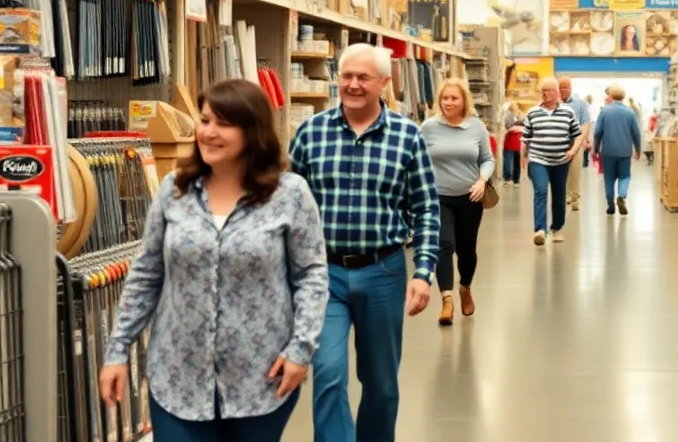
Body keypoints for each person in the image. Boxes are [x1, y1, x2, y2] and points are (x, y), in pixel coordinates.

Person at [99, 79, 328, 441]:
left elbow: (311, 276)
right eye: (205, 121)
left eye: (224, 124)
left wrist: (301, 350)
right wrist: (117, 350)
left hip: (261, 377)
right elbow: (145, 274)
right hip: (178, 377)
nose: (208, 132)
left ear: (252, 131)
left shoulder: (289, 194)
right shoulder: (174, 190)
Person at [290, 43, 440, 442]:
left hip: (383, 271)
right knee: (328, 373)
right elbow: (287, 205)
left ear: (385, 83)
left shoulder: (407, 137)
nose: (353, 85)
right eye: (346, 76)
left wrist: (423, 271)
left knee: (381, 383)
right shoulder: (309, 134)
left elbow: (426, 207)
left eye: (363, 78)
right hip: (323, 274)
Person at [420, 78, 494, 326]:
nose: (448, 102)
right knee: (444, 245)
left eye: (454, 98)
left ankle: (465, 286)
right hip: (439, 197)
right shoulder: (428, 127)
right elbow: (418, 159)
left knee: (467, 250)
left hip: (470, 198)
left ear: (464, 101)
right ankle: (447, 300)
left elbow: (487, 158)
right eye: (444, 98)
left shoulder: (476, 127)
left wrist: (482, 180)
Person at [523, 77, 582, 245]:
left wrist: (573, 151)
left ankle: (557, 228)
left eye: (548, 90)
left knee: (559, 194)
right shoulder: (532, 113)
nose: (545, 93)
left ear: (557, 94)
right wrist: (523, 159)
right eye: (543, 90)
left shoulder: (568, 112)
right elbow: (526, 139)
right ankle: (540, 230)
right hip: (537, 159)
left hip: (560, 161)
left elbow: (577, 135)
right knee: (540, 191)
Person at [593, 85, 641, 216]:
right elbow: (636, 133)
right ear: (623, 97)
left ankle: (610, 204)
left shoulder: (604, 112)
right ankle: (621, 195)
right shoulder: (630, 113)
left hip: (607, 151)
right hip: (624, 151)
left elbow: (597, 132)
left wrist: (595, 149)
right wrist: (638, 149)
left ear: (611, 96)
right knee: (625, 176)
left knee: (609, 178)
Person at [558, 76, 592, 208]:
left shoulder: (580, 104)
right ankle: (565, 195)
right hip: (559, 143)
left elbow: (586, 122)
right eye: (560, 87)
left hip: (576, 142)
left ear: (570, 88)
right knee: (561, 171)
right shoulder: (554, 103)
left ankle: (575, 198)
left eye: (565, 87)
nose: (563, 90)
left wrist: (583, 139)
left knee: (575, 171)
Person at [501, 101, 525, 185]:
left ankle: (516, 179)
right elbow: (506, 125)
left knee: (517, 162)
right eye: (512, 105)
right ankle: (507, 178)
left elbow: (525, 124)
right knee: (508, 161)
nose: (514, 106)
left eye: (515, 105)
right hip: (509, 141)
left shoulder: (520, 115)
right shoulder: (507, 115)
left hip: (518, 141)